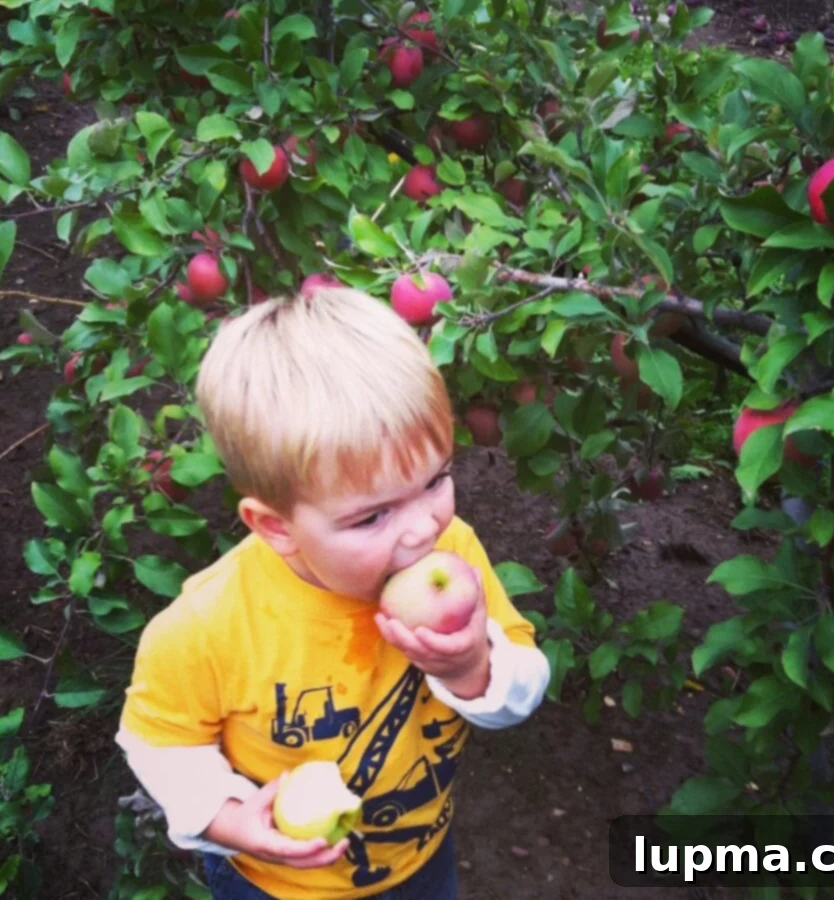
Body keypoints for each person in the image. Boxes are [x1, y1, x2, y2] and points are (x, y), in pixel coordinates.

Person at [115, 285, 551, 900]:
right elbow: (159, 742)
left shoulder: (452, 550)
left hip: (419, 860)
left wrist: (474, 666)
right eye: (372, 517)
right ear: (276, 527)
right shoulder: (210, 625)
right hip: (277, 883)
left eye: (435, 480)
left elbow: (524, 684)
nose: (424, 525)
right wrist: (231, 818)